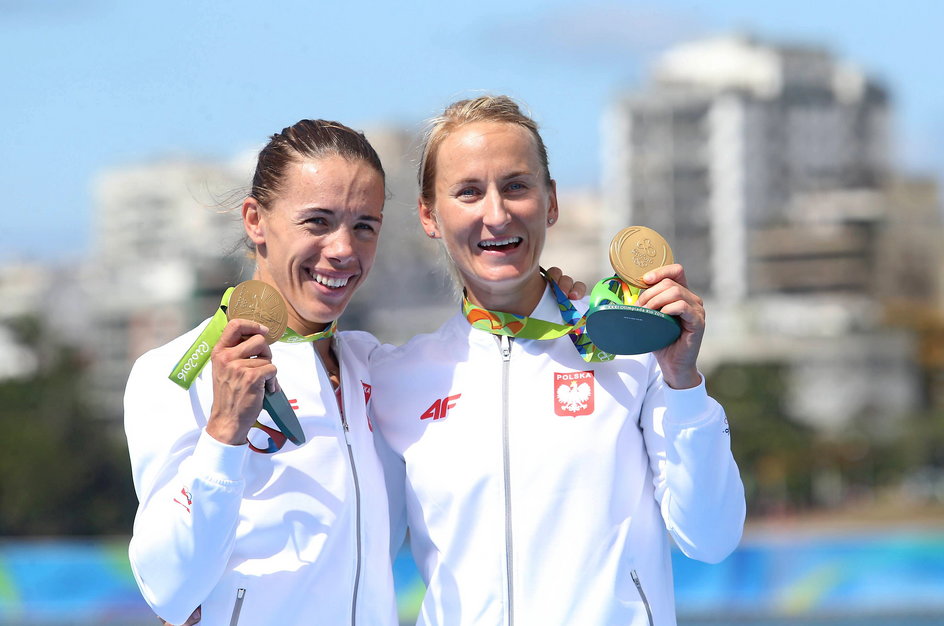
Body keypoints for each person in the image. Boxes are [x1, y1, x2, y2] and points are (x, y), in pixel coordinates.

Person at [124, 118, 585, 626]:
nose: (343, 249)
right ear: (256, 220)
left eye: (364, 225)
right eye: (318, 222)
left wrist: (559, 307)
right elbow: (166, 590)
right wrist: (224, 433)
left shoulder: (378, 370)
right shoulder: (175, 374)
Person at [368, 96, 746, 626]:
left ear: (551, 202)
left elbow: (711, 538)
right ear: (429, 215)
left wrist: (683, 384)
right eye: (469, 192)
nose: (496, 214)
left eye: (516, 186)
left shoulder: (636, 352)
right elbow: (351, 555)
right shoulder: (394, 380)